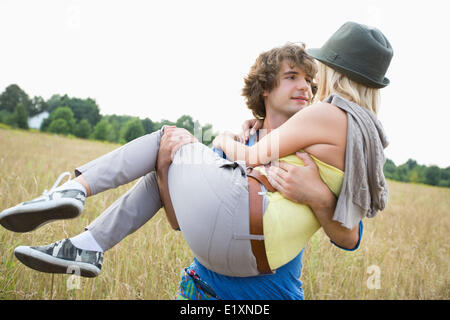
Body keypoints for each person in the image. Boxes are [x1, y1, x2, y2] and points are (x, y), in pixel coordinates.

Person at [0, 21, 392, 299]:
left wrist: (318, 196)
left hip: (270, 295)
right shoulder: (231, 147)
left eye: (310, 79)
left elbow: (350, 237)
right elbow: (178, 219)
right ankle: (84, 236)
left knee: (167, 138)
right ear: (266, 88)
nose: (305, 87)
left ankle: (77, 206)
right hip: (203, 291)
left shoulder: (319, 146)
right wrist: (165, 167)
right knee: (165, 153)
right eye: (292, 77)